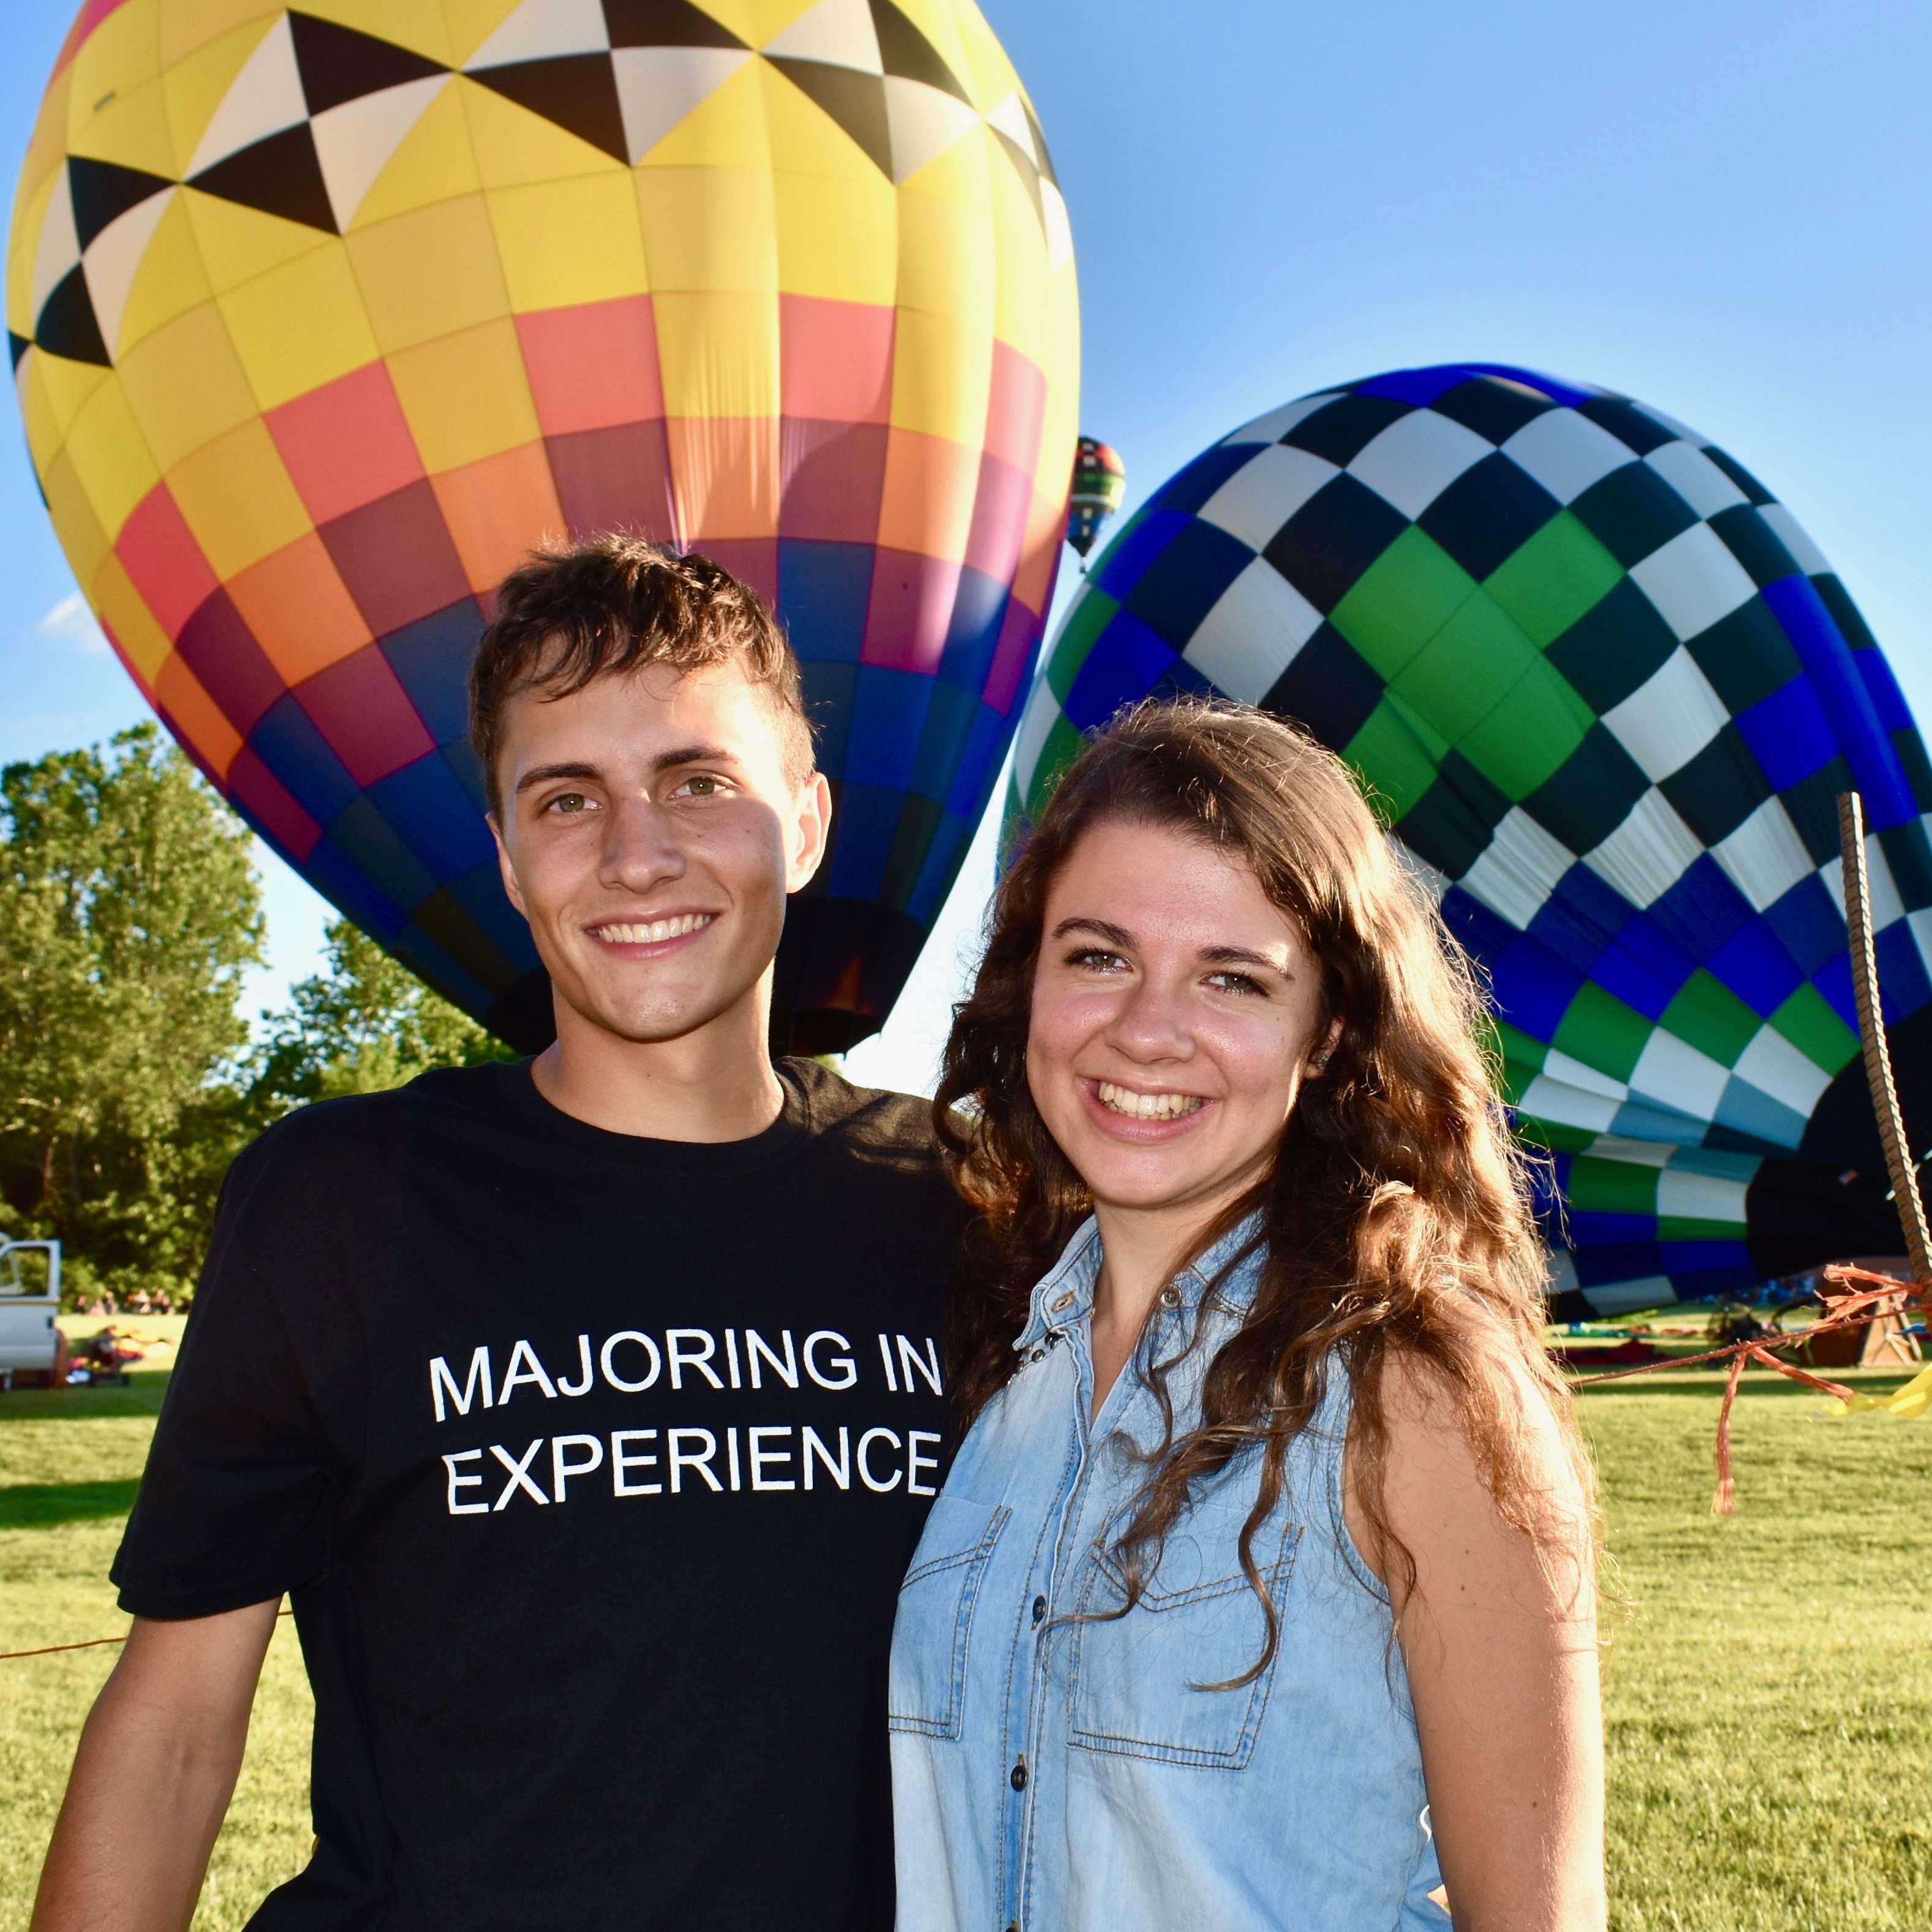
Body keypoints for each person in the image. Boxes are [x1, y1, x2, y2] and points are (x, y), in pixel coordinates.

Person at [32, 537, 963, 1932]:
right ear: (510, 855)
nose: (636, 852)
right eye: (566, 797)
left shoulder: (968, 1202)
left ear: (810, 820)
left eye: (698, 782)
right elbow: (173, 1723)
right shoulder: (342, 1200)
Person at [891, 700, 1604, 1930]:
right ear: (1028, 981)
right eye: (1097, 954)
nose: (1147, 1029)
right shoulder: (1002, 1366)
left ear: (1326, 1030)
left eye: (1231, 976)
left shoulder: (1413, 1387)